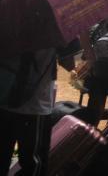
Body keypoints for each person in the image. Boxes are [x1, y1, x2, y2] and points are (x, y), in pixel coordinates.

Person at [1, 40, 80, 176]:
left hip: (3, 97)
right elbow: (68, 63)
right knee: (33, 163)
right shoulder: (54, 29)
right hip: (35, 106)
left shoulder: (8, 25)